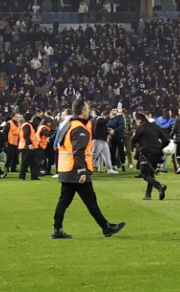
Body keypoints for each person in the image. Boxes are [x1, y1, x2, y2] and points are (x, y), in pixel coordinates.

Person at [52, 99, 124, 239]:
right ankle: (106, 227)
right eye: (88, 109)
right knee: (90, 200)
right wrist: (82, 171)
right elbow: (78, 152)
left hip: (66, 168)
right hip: (76, 171)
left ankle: (57, 229)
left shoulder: (68, 124)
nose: (90, 111)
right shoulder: (79, 128)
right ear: (82, 111)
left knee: (64, 201)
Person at [131, 113, 168, 200]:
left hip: (147, 152)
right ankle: (148, 195)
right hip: (157, 153)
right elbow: (165, 140)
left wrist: (136, 144)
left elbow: (133, 140)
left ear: (139, 120)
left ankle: (159, 186)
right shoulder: (156, 126)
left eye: (136, 121)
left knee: (144, 174)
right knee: (150, 174)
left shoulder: (141, 127)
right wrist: (159, 148)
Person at [19, 116, 42, 181]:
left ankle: (33, 176)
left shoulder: (26, 124)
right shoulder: (27, 125)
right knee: (26, 162)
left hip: (28, 146)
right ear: (30, 118)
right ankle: (22, 176)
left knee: (33, 162)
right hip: (27, 146)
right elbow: (26, 135)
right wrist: (29, 144)